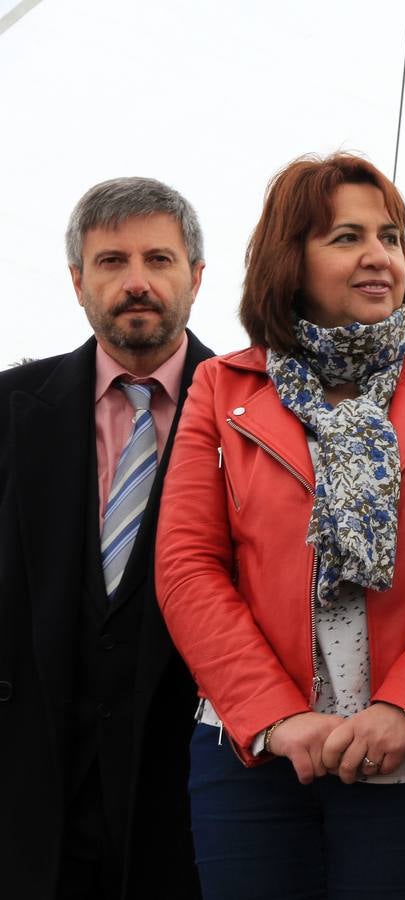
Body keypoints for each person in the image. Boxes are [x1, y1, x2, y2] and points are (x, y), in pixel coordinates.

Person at [154, 153, 405, 899]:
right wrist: (276, 718)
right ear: (288, 259)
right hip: (253, 754)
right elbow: (188, 568)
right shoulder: (220, 386)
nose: (377, 257)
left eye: (390, 237)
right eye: (345, 237)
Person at [0, 177, 210, 898]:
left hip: (190, 802)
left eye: (159, 259)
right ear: (76, 282)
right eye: (111, 262)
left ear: (197, 276)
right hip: (27, 804)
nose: (137, 282)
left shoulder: (260, 413)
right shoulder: (8, 411)